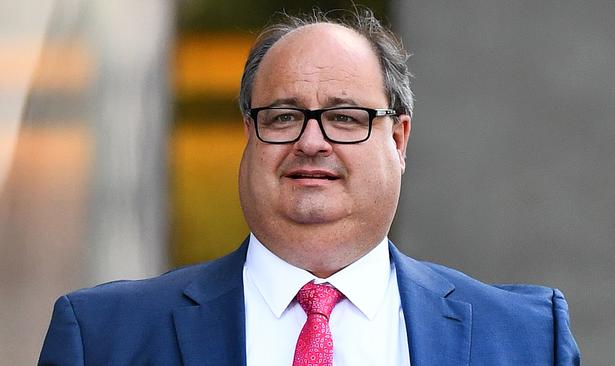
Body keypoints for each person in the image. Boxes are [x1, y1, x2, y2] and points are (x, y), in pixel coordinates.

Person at [39, 8, 580, 366]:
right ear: (249, 133)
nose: (312, 142)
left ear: (399, 138)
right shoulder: (104, 338)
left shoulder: (526, 340)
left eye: (345, 117)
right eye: (283, 116)